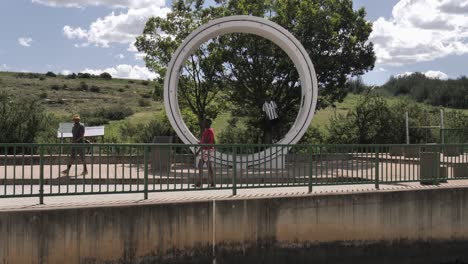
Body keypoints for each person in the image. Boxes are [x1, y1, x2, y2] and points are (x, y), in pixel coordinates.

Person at [194, 119, 215, 187]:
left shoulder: (209, 131)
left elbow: (205, 142)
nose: (203, 123)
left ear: (208, 123)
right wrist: (200, 142)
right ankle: (200, 182)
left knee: (208, 166)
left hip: (207, 150)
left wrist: (198, 151)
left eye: (205, 122)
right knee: (201, 165)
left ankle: (211, 182)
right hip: (206, 149)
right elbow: (210, 141)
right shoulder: (208, 130)